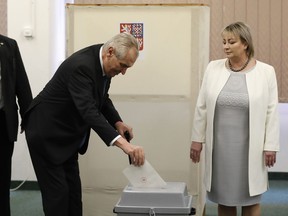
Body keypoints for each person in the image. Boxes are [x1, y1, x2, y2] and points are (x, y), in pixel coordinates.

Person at [23, 33, 145, 216]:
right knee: (58, 196)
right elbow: (89, 111)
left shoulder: (104, 61)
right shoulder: (81, 66)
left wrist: (117, 122)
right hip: (46, 133)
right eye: (123, 66)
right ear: (110, 52)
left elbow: (101, 97)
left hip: (67, 135)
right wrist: (124, 145)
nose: (123, 72)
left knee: (73, 194)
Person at [190, 22, 279, 216]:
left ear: (245, 44)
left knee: (250, 199)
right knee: (225, 199)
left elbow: (271, 111)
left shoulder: (266, 72)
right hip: (220, 148)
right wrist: (197, 139)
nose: (226, 46)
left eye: (231, 42)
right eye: (223, 42)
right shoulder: (213, 68)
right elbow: (202, 106)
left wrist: (270, 145)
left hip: (251, 148)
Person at [0, 35, 33, 216]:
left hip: (3, 122)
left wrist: (28, 116)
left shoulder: (8, 45)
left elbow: (21, 82)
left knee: (2, 177)